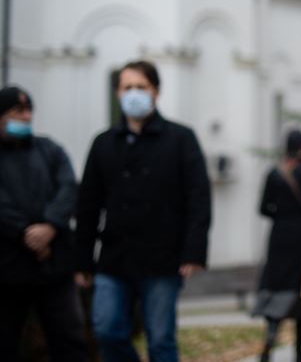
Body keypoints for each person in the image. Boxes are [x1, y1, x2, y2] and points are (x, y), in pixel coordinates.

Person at [75, 60, 212, 362]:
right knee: (107, 329)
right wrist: (82, 260)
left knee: (161, 339)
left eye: (141, 87)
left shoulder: (180, 139)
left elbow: (198, 197)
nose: (134, 93)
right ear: (117, 93)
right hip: (114, 258)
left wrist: (193, 251)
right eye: (127, 87)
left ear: (156, 92)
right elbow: (87, 203)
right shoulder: (104, 143)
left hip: (162, 259)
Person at [0, 86, 88, 361]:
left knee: (69, 339)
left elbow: (68, 190)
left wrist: (49, 227)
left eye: (28, 111)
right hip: (7, 268)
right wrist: (26, 234)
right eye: (17, 112)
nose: (25, 117)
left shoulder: (50, 150)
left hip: (54, 265)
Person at [254, 129, 301, 362]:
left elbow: (263, 208)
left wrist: (281, 214)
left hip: (278, 240)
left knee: (276, 291)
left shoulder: (274, 173)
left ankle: (270, 337)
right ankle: (299, 351)